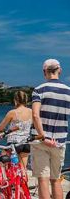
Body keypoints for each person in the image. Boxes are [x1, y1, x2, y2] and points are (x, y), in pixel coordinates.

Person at [31, 59, 70, 199]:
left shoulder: (39, 90)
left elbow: (35, 115)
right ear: (59, 70)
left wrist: (43, 137)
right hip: (59, 142)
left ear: (44, 72)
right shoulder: (68, 92)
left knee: (43, 180)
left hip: (41, 142)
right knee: (56, 180)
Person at [0, 91, 32, 169]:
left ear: (15, 100)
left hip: (13, 143)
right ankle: (22, 180)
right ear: (26, 100)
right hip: (25, 143)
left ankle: (9, 180)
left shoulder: (12, 112)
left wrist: (2, 132)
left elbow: (0, 127)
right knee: (22, 168)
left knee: (4, 164)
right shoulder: (31, 112)